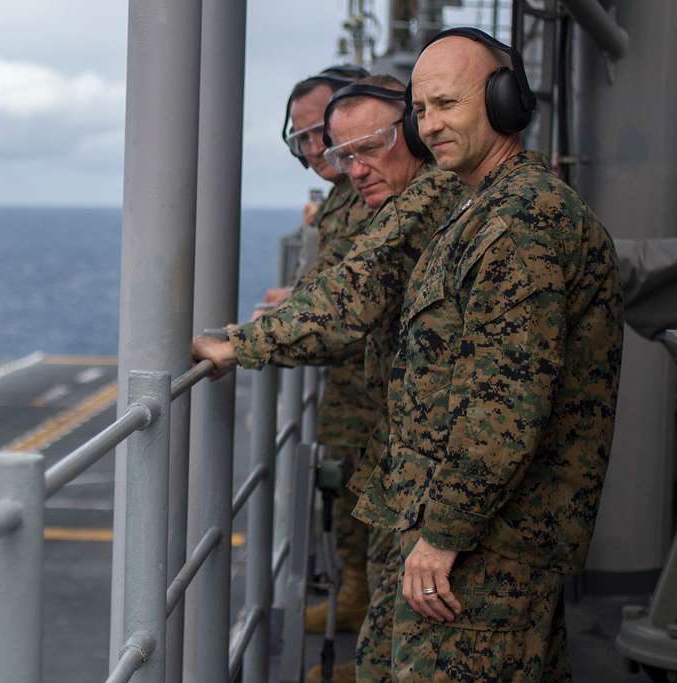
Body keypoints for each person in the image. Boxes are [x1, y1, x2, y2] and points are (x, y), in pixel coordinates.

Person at [347, 28, 624, 680]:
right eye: (419, 112)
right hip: (497, 540)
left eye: (446, 104)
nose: (430, 125)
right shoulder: (485, 208)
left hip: (484, 551)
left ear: (501, 102)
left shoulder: (518, 223)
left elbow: (507, 406)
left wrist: (442, 534)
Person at [192, 74, 467, 682]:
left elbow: (351, 298)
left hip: (444, 460)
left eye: (365, 148)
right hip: (413, 436)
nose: (346, 166)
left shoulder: (432, 198)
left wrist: (238, 344)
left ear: (414, 135)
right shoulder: (427, 196)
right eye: (334, 151)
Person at [274, 65, 380, 642]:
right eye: (302, 139)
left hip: (378, 387)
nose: (315, 150)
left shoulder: (381, 194)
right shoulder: (347, 195)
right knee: (345, 488)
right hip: (354, 380)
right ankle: (355, 599)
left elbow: (350, 304)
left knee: (371, 502)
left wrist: (246, 345)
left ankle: (367, 625)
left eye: (322, 133)